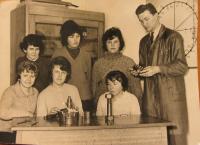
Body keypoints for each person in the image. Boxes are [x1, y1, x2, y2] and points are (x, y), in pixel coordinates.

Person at [131, 3, 188, 145]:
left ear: (156, 16)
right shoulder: (143, 42)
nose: (144, 24)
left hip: (171, 100)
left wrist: (158, 69)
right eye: (141, 21)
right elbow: (144, 66)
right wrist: (138, 71)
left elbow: (182, 66)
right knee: (154, 138)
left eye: (147, 19)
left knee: (176, 139)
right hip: (151, 100)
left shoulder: (173, 37)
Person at [92, 27, 142, 110]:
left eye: (115, 42)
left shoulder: (130, 62)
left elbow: (137, 90)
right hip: (104, 106)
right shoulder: (98, 64)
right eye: (109, 42)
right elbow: (94, 89)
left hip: (124, 107)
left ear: (120, 43)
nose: (112, 45)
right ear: (105, 44)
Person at [52, 20, 93, 112]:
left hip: (84, 98)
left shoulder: (86, 55)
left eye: (77, 36)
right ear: (65, 38)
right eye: (71, 37)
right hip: (65, 97)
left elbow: (89, 78)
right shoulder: (58, 53)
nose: (75, 40)